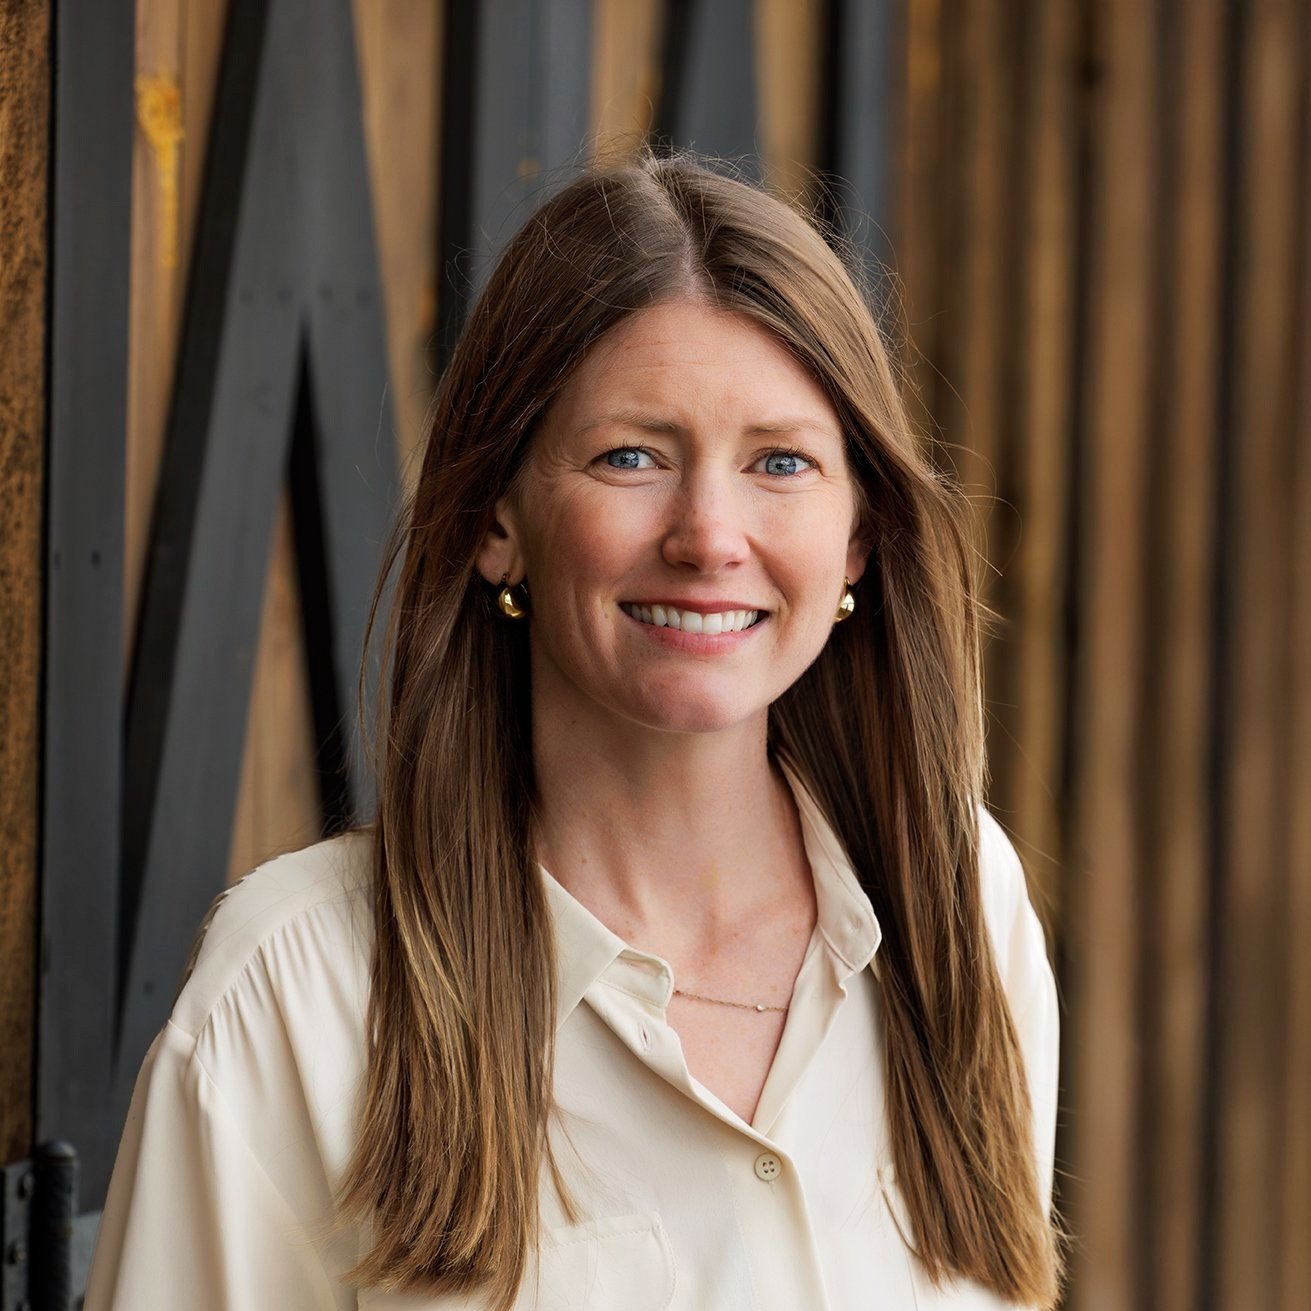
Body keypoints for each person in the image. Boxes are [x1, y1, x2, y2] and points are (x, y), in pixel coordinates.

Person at [84, 153, 1064, 1310]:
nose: (709, 536)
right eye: (631, 457)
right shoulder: (298, 998)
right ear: (497, 519)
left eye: (781, 463)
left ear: (857, 538)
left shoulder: (959, 907)